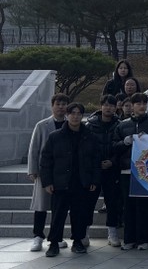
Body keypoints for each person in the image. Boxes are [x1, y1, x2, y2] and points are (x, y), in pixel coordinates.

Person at [40, 102, 100, 257]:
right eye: (72, 113)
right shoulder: (55, 136)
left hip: (81, 182)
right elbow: (46, 160)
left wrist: (94, 180)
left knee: (79, 215)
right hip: (60, 182)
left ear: (82, 116)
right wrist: (47, 182)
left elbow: (95, 161)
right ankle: (54, 243)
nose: (75, 116)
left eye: (79, 113)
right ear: (67, 115)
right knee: (58, 215)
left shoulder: (90, 137)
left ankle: (78, 241)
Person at [114, 93, 148, 250]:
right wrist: (125, 142)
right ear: (132, 106)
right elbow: (114, 147)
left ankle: (143, 239)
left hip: (147, 172)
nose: (141, 106)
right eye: (138, 103)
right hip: (127, 170)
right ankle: (129, 239)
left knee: (144, 207)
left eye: (144, 103)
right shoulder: (122, 125)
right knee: (128, 207)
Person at [27, 94, 70, 253]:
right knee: (41, 206)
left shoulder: (70, 124)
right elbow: (34, 148)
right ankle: (38, 235)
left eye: (64, 104)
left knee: (59, 208)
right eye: (58, 104)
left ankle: (56, 236)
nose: (61, 107)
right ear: (52, 106)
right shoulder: (42, 125)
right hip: (44, 172)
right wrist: (32, 170)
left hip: (64, 173)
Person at [85, 95, 122, 247]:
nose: (108, 108)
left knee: (112, 203)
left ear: (116, 107)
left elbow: (121, 149)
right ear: (101, 106)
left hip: (112, 170)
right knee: (89, 202)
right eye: (106, 105)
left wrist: (112, 162)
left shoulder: (120, 125)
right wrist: (96, 164)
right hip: (94, 170)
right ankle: (84, 232)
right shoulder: (90, 125)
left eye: (112, 105)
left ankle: (112, 233)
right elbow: (85, 149)